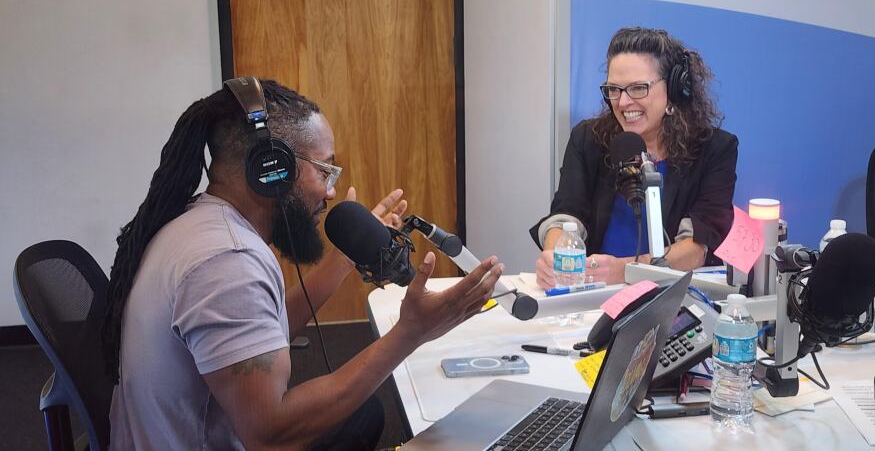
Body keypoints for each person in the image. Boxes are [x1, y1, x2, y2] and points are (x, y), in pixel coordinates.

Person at [102, 78, 503, 450]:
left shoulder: (204, 223)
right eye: (325, 170)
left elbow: (262, 331)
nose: (330, 192)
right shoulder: (228, 263)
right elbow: (269, 435)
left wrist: (344, 259)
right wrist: (411, 333)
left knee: (361, 415)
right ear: (270, 170)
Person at [531, 27, 737, 289]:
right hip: (595, 292)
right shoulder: (588, 138)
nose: (623, 102)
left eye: (638, 88)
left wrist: (626, 270)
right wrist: (554, 257)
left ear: (674, 90)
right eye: (614, 89)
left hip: (671, 295)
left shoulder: (715, 149)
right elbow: (566, 216)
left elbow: (695, 249)